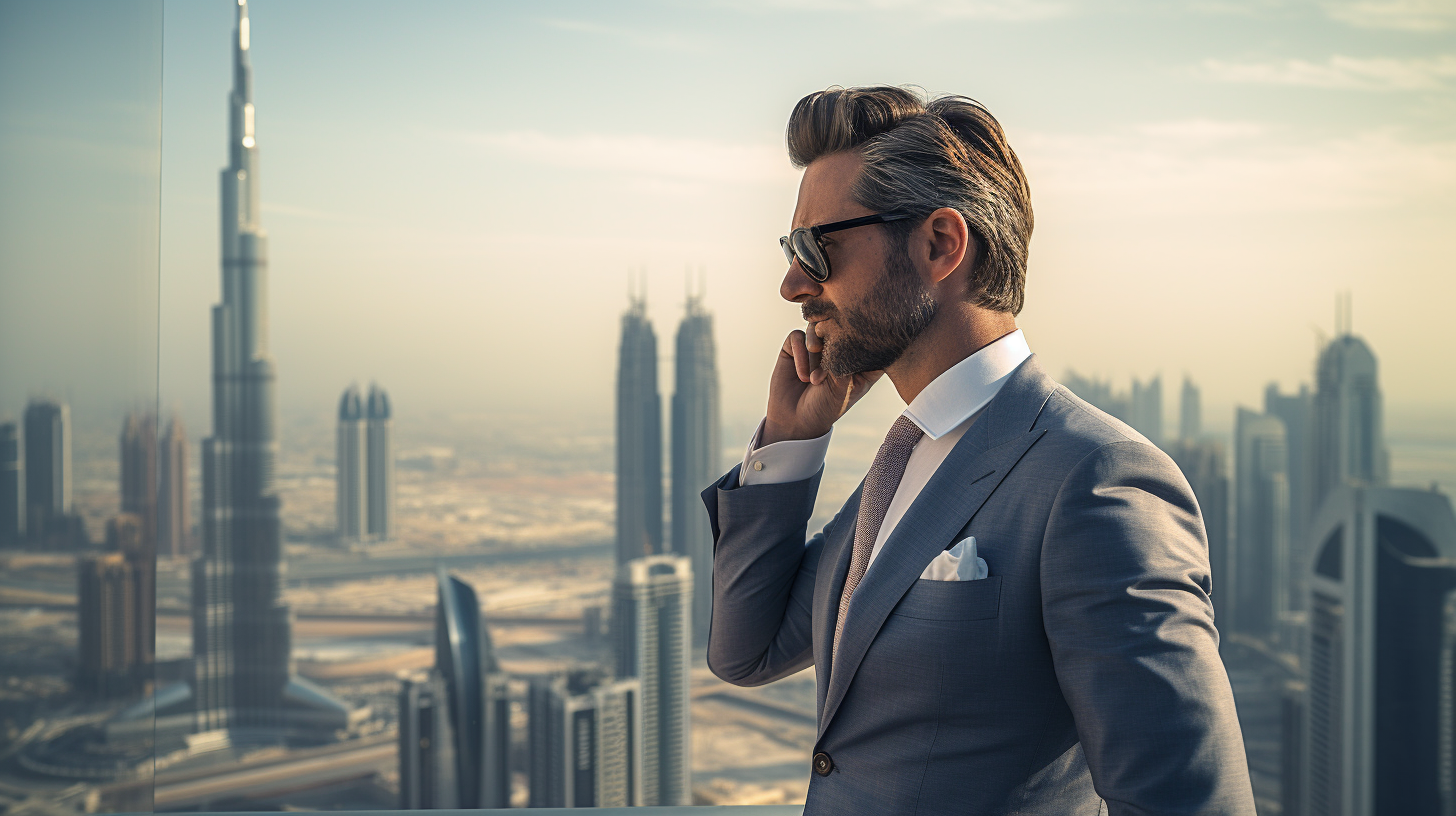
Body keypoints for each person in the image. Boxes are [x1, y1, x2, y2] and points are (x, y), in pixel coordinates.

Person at [702, 86, 1256, 815]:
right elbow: (747, 650)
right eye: (790, 250)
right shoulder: (902, 463)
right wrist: (793, 443)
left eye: (817, 248)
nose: (792, 283)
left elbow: (1188, 802)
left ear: (940, 244)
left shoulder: (1096, 480)